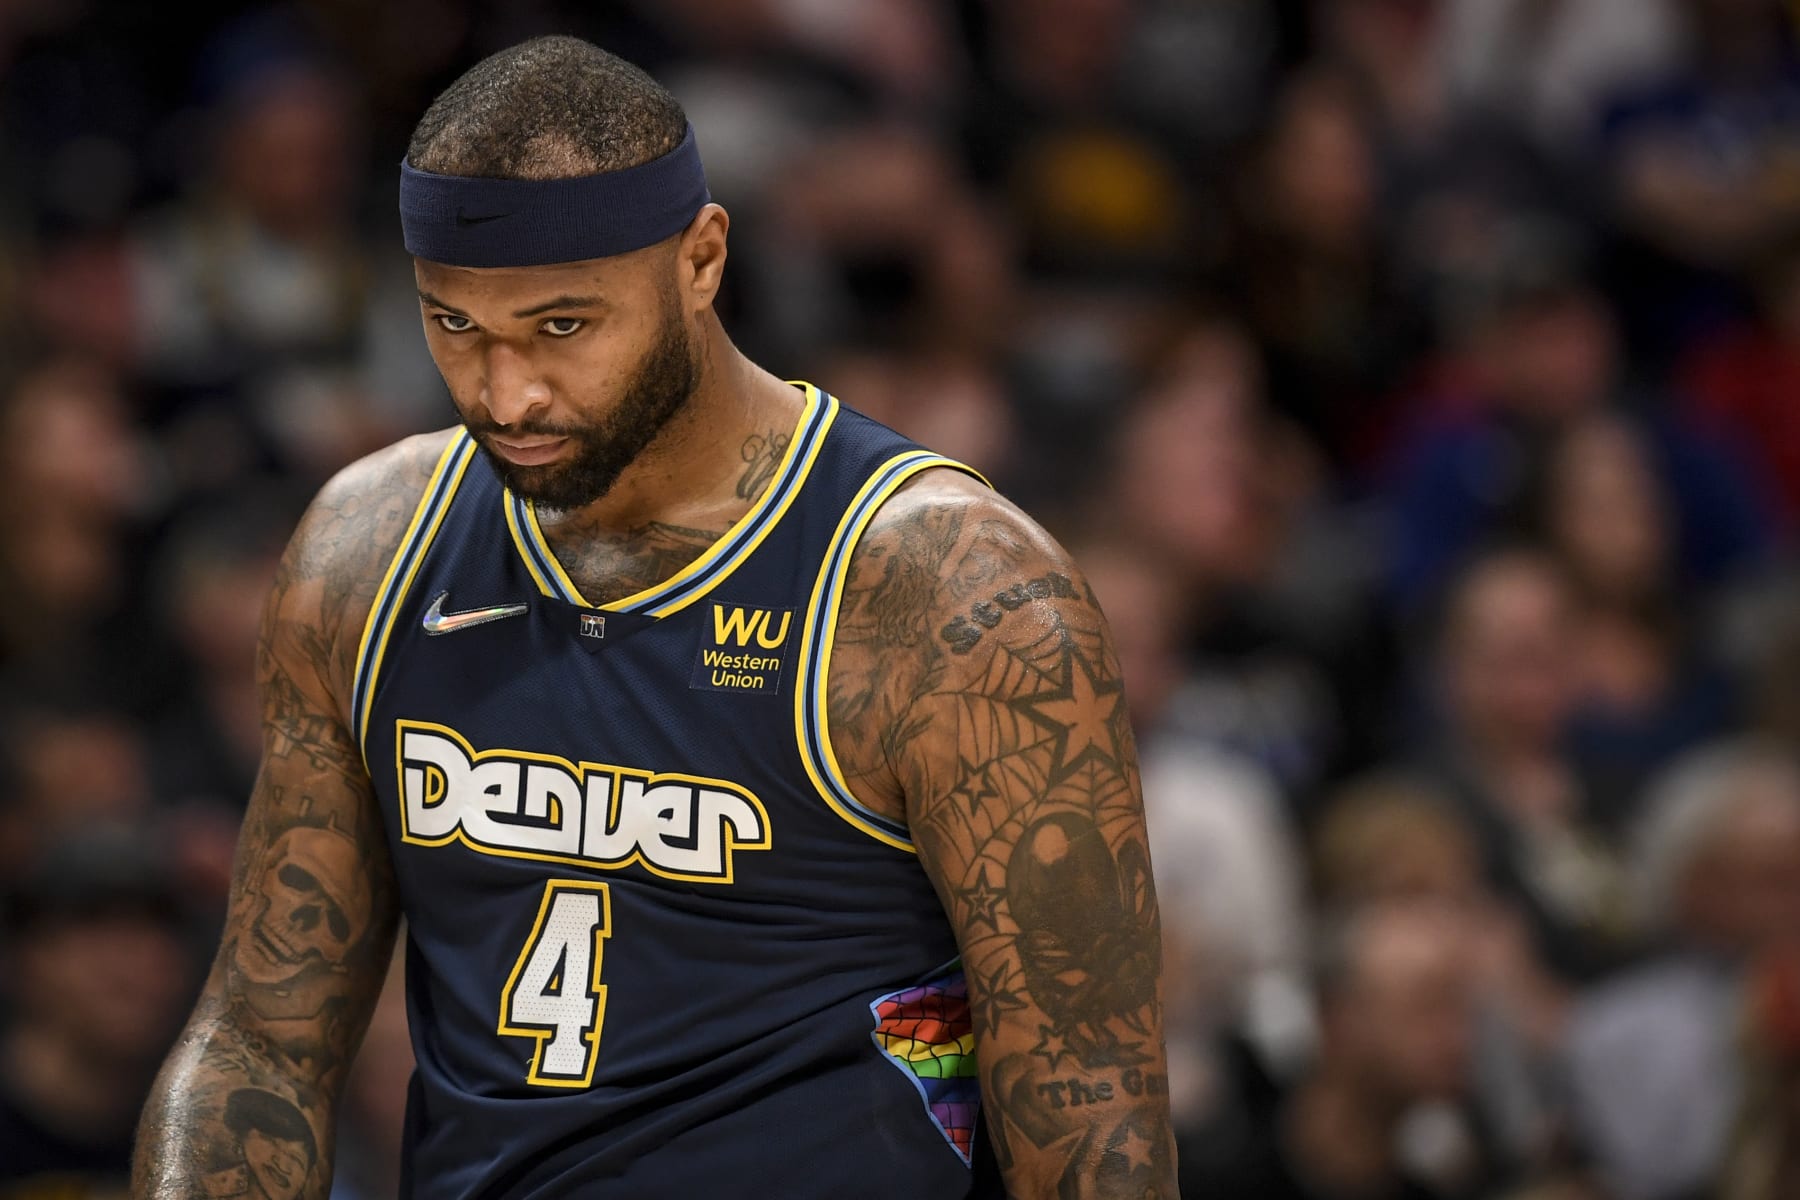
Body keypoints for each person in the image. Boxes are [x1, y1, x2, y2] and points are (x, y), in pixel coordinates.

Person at [131, 35, 1174, 1199]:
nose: (505, 393)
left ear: (702, 260)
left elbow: (1093, 1108)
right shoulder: (365, 555)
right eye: (455, 327)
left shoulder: (945, 590)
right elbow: (262, 1040)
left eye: (562, 328)